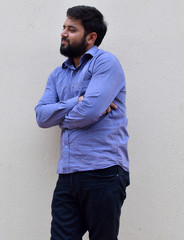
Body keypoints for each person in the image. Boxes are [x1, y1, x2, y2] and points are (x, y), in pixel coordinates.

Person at [35, 5, 130, 240]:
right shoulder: (58, 74)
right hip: (67, 174)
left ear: (91, 37)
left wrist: (66, 117)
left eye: (71, 29)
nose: (63, 33)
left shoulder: (105, 63)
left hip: (103, 171)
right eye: (64, 27)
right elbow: (41, 116)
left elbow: (88, 112)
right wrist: (77, 101)